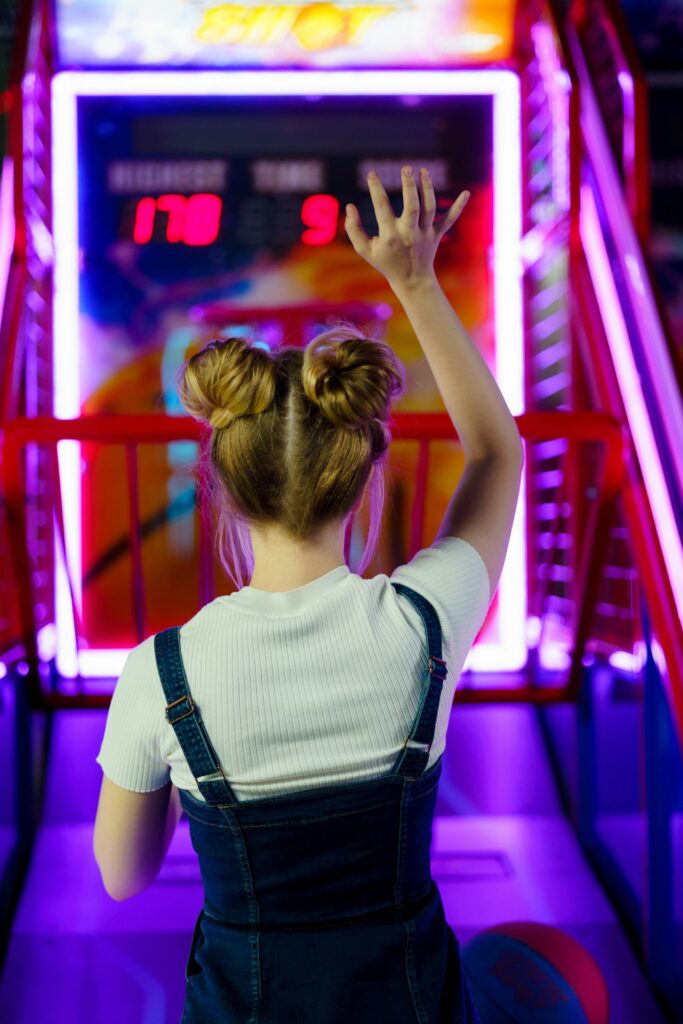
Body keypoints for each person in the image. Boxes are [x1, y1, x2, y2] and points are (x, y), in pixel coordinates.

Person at [94, 166, 524, 1023]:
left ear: (217, 483)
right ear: (364, 481)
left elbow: (123, 877)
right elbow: (496, 454)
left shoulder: (161, 673)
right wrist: (413, 281)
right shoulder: (423, 620)